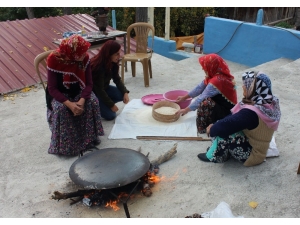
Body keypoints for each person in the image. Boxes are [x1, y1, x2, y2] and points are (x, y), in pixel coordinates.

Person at [197, 71, 281, 167]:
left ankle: (215, 156)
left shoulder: (251, 112)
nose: (243, 87)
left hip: (253, 154)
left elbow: (222, 127)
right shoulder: (269, 101)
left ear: (252, 89)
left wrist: (212, 128)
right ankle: (224, 150)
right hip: (259, 144)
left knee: (223, 133)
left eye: (246, 85)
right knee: (225, 124)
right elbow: (233, 118)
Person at [46, 34, 104, 156]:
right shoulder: (54, 58)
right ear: (72, 52)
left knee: (92, 101)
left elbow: (89, 84)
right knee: (61, 109)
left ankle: (88, 139)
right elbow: (52, 89)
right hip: (61, 93)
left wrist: (81, 101)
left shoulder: (84, 58)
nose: (84, 55)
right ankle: (68, 145)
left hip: (78, 90)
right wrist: (70, 104)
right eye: (81, 53)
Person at [175, 53, 237, 133]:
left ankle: (205, 127)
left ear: (211, 66)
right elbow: (199, 88)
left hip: (226, 111)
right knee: (203, 101)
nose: (202, 68)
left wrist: (185, 110)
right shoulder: (214, 75)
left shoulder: (217, 81)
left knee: (205, 103)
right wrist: (185, 97)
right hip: (219, 103)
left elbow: (202, 97)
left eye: (204, 66)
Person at [91, 40, 130, 121]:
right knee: (111, 116)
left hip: (104, 88)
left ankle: (103, 104)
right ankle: (94, 107)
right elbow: (99, 90)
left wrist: (125, 92)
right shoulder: (98, 67)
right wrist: (111, 105)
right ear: (109, 54)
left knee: (121, 94)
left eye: (119, 53)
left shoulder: (112, 62)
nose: (119, 56)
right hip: (94, 93)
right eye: (116, 54)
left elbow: (117, 79)